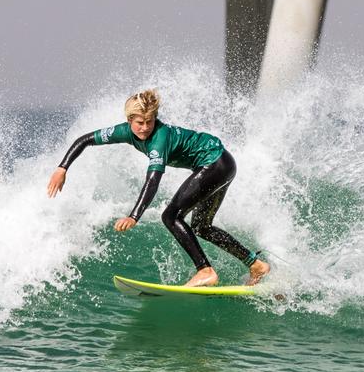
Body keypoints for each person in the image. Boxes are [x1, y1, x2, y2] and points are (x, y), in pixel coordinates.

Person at [47, 89, 270, 287]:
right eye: (139, 123)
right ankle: (256, 264)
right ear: (129, 120)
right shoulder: (123, 131)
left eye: (149, 122)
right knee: (202, 227)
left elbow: (153, 180)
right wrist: (62, 168)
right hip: (222, 163)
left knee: (171, 216)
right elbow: (85, 140)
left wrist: (134, 216)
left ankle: (205, 271)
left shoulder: (159, 139)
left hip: (215, 164)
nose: (145, 128)